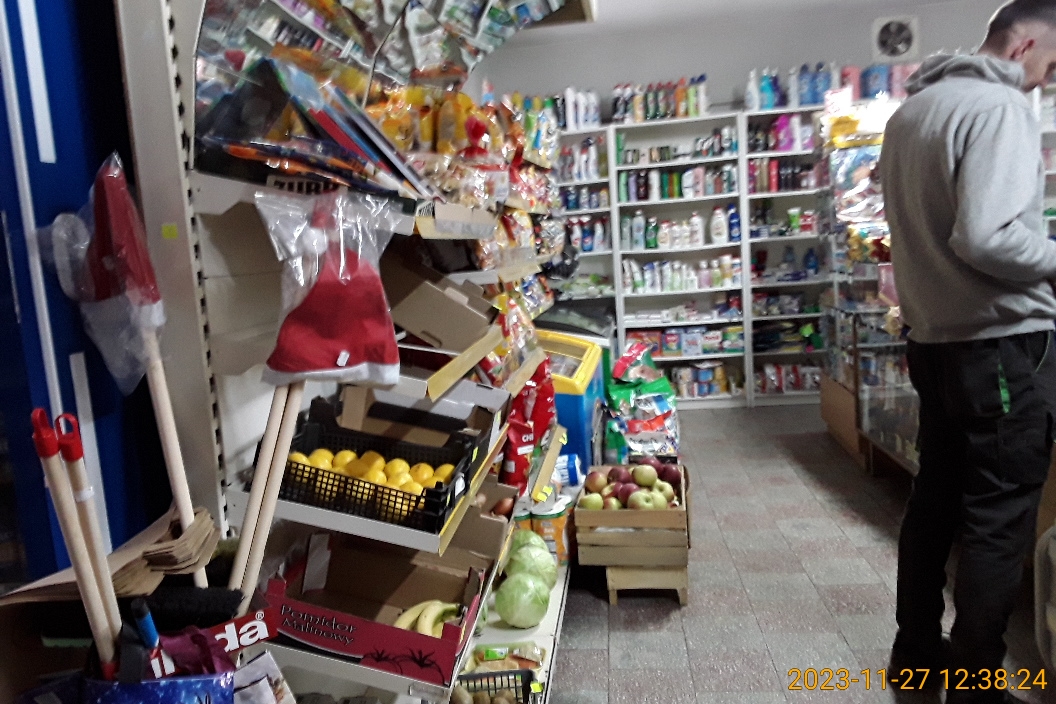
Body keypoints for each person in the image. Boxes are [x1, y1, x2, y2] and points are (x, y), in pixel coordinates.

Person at [880, 1, 1056, 701]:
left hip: (934, 342)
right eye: (1051, 65)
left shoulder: (911, 113)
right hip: (1000, 345)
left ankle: (915, 654)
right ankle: (977, 682)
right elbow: (987, 237)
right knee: (997, 516)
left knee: (934, 504)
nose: (1046, 81)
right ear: (1025, 45)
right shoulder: (1000, 107)